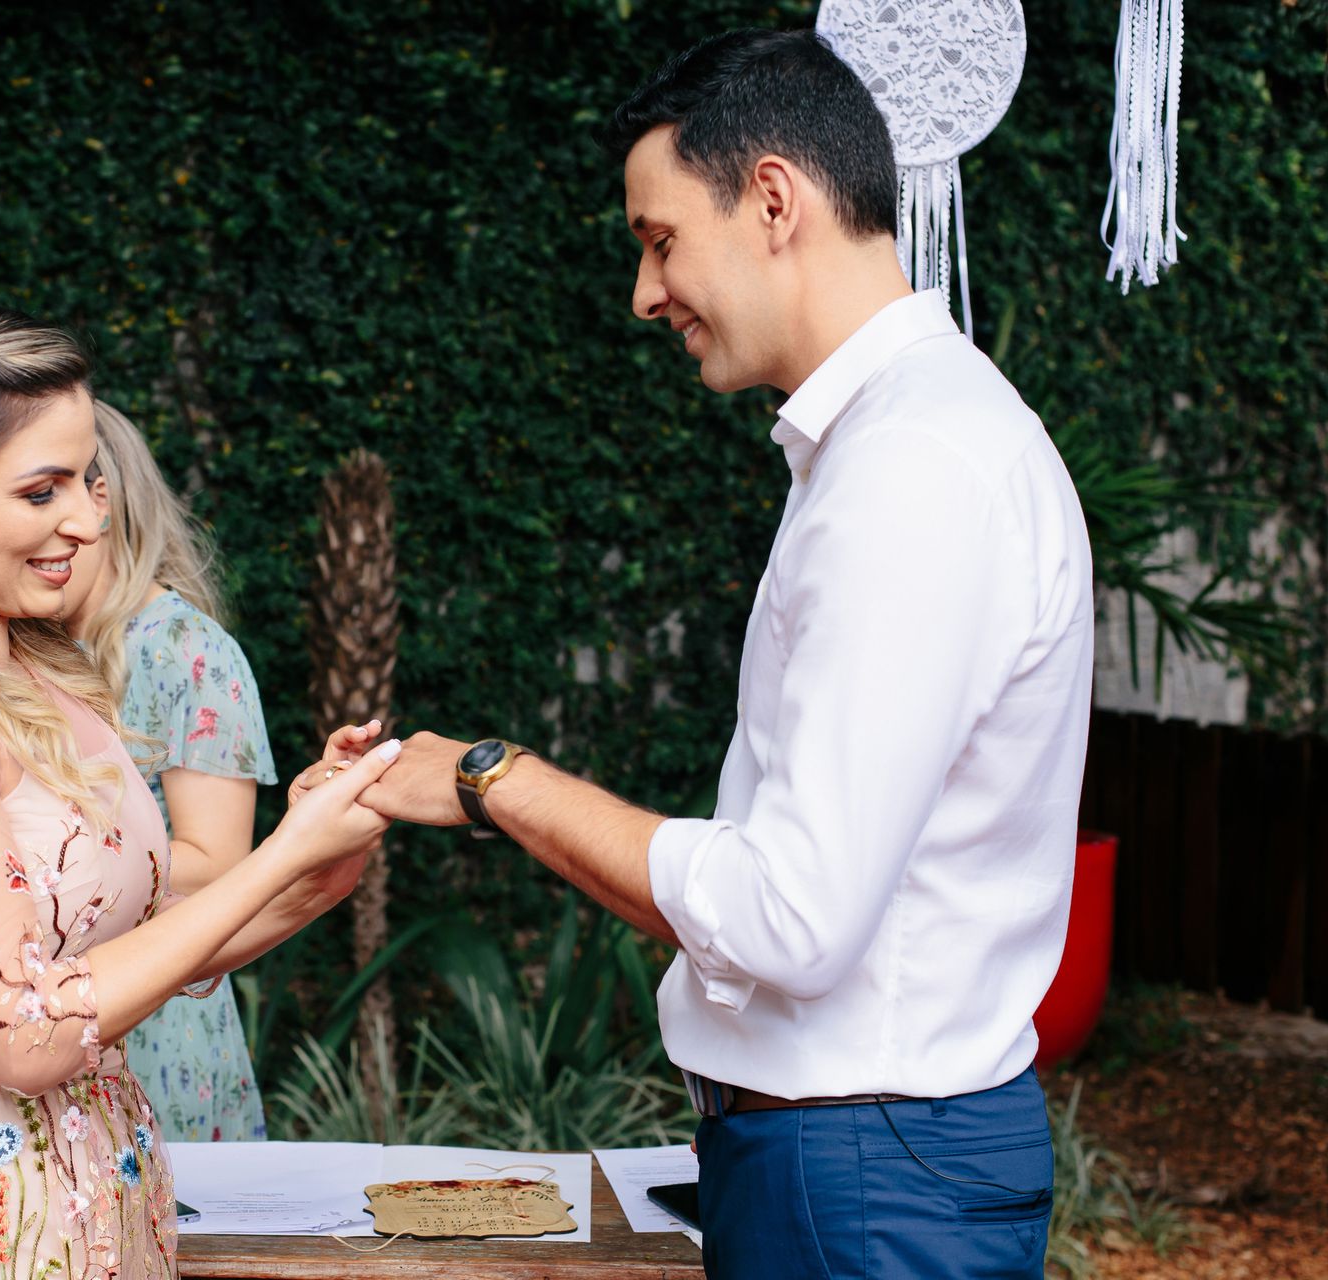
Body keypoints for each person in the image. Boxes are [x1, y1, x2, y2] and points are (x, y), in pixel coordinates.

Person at [320, 30, 1094, 1278]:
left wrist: (491, 777)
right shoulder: (902, 442)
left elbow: (790, 916)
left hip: (862, 1171)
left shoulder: (912, 472)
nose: (644, 291)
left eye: (660, 238)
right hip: (866, 1158)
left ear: (774, 200)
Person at [0, 298, 399, 1278]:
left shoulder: (31, 667)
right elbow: (26, 1034)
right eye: (42, 489)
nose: (89, 515)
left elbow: (127, 958)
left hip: (85, 1195)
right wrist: (280, 853)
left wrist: (315, 867)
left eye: (89, 477)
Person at [57, 399, 277, 1142]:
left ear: (102, 503)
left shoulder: (189, 651)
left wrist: (45, 880)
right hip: (55, 1011)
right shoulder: (34, 652)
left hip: (159, 1024)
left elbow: (218, 863)